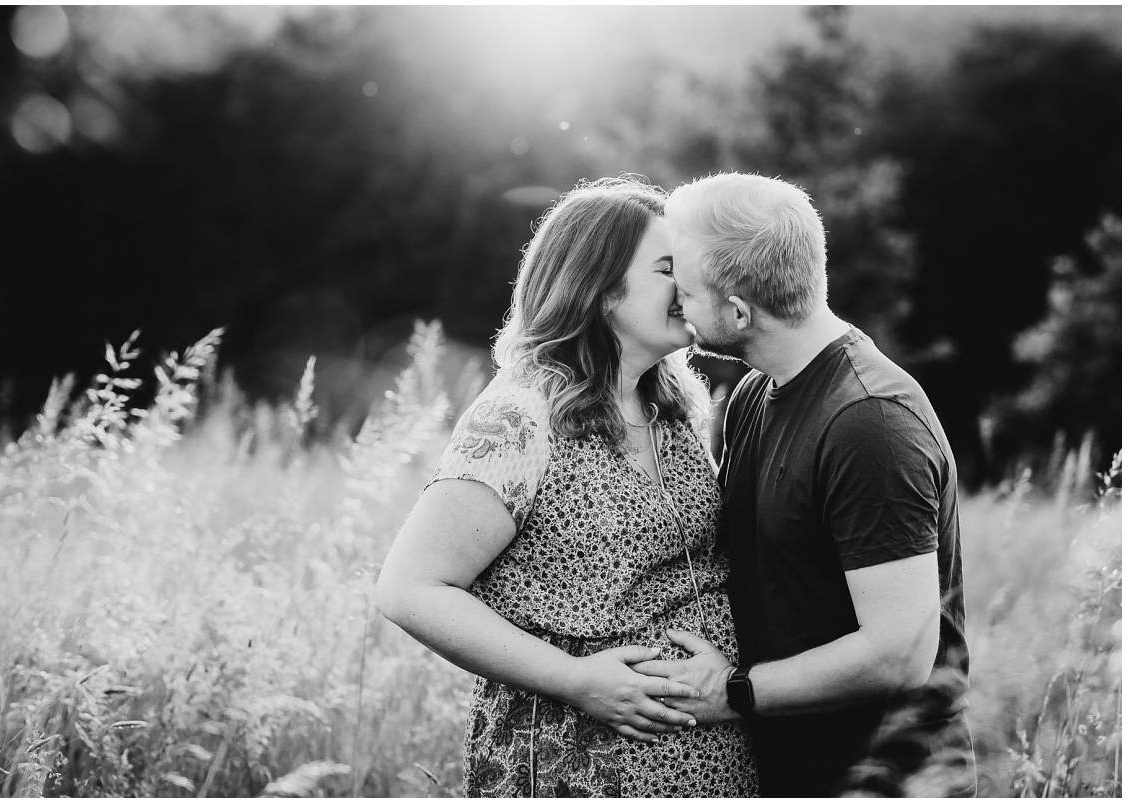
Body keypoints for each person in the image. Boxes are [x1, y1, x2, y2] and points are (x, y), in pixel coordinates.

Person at [376, 177, 758, 797]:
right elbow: (410, 589)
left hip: (708, 765)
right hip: (575, 764)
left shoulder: (675, 404)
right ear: (600, 288)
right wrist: (575, 678)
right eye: (667, 269)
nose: (690, 287)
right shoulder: (522, 414)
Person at [634, 172, 975, 796]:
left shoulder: (871, 423)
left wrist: (732, 693)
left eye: (684, 290)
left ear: (738, 310)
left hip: (884, 779)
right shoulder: (751, 395)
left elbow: (900, 653)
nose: (676, 306)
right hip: (789, 769)